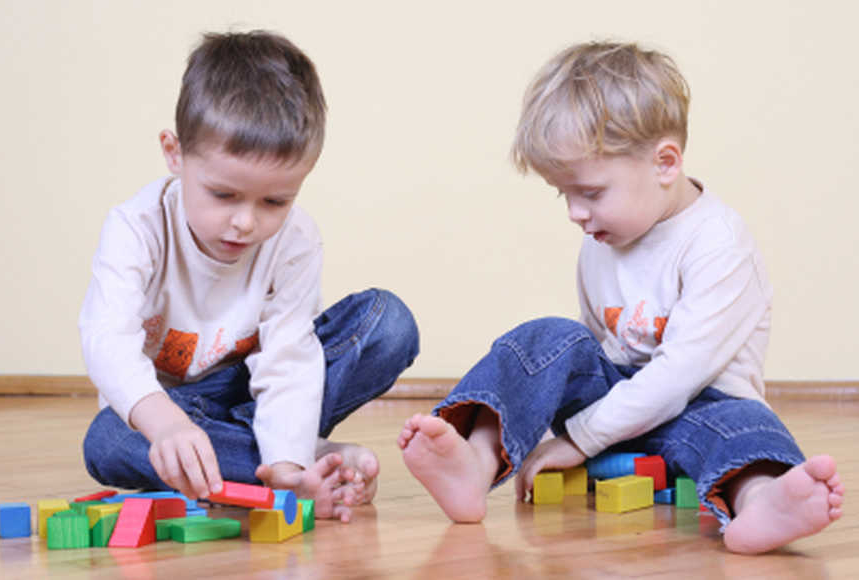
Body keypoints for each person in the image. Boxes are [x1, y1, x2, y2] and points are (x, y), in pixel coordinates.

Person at [398, 41, 843, 553]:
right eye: (563, 194)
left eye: (590, 193)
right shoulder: (602, 239)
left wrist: (578, 439)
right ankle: (477, 462)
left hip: (699, 408)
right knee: (550, 338)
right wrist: (571, 428)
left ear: (665, 163)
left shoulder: (719, 244)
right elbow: (592, 348)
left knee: (745, 425)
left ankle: (762, 500)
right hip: (615, 408)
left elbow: (678, 377)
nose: (575, 213)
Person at [80, 30, 419, 522]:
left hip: (255, 394)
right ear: (175, 153)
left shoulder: (295, 240)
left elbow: (288, 359)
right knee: (109, 439)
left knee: (389, 324)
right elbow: (106, 340)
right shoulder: (136, 228)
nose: (245, 222)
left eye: (275, 201)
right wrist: (167, 424)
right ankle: (304, 456)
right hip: (169, 407)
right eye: (223, 195)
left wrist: (286, 468)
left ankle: (280, 461)